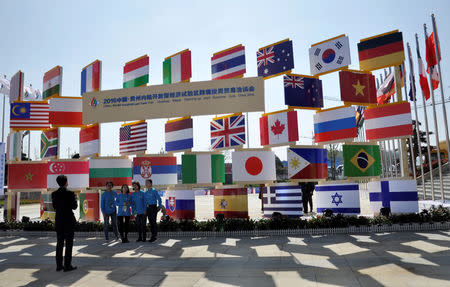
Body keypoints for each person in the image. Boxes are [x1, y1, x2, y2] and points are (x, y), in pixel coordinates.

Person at [51, 175, 77, 272]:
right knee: (69, 243)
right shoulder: (70, 194)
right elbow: (74, 207)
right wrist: (75, 199)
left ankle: (59, 265)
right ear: (66, 182)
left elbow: (54, 207)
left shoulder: (54, 194)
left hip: (59, 221)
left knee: (59, 243)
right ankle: (67, 265)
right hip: (69, 221)